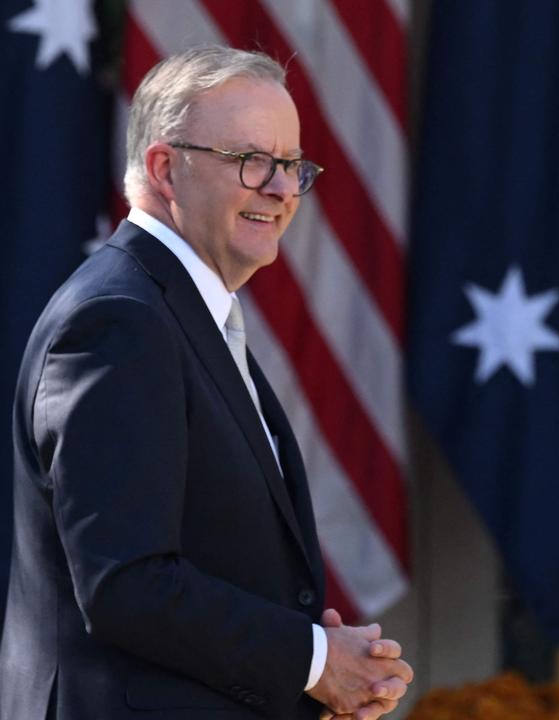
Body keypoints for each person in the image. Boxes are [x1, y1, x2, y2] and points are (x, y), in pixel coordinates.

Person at [0, 47, 412, 719]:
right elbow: (124, 581)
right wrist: (309, 662)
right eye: (252, 161)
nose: (281, 190)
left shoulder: (181, 313)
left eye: (291, 166)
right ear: (165, 168)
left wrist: (313, 659)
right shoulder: (120, 320)